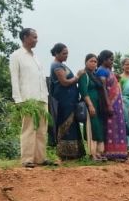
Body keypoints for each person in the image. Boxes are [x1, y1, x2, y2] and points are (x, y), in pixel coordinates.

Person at [9, 28, 53, 168]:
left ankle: (40, 158)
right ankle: (27, 159)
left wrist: (46, 96)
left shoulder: (35, 57)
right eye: (34, 37)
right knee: (29, 128)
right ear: (25, 37)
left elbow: (41, 78)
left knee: (42, 129)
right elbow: (14, 79)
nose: (36, 40)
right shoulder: (16, 55)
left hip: (41, 97)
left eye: (36, 37)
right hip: (28, 98)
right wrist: (18, 100)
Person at [49, 43, 84, 161]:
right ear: (56, 53)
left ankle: (75, 153)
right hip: (64, 101)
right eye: (64, 53)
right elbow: (64, 82)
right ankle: (66, 153)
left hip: (70, 100)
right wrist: (77, 76)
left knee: (72, 125)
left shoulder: (61, 65)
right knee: (66, 125)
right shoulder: (56, 66)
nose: (66, 55)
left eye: (67, 53)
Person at [95, 50, 129, 161]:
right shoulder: (101, 71)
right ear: (104, 60)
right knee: (111, 127)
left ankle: (120, 152)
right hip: (110, 103)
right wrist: (108, 104)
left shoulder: (108, 70)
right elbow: (104, 89)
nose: (112, 62)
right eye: (110, 59)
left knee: (118, 126)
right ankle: (111, 153)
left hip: (117, 104)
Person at [79, 53, 107, 160]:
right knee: (92, 128)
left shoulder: (95, 76)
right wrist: (90, 105)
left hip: (99, 105)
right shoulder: (83, 75)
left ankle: (99, 152)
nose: (93, 63)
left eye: (95, 62)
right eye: (91, 61)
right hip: (90, 105)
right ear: (86, 62)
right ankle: (92, 153)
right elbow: (84, 92)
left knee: (99, 127)